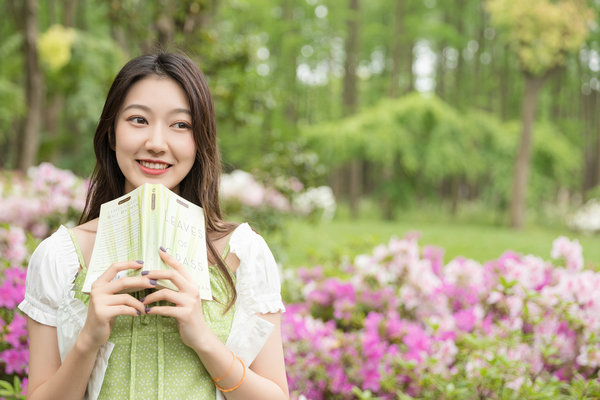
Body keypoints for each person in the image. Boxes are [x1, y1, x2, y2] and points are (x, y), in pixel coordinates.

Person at [18, 52, 289, 400]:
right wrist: (88, 340)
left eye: (181, 125)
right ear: (111, 134)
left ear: (199, 140)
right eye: (138, 120)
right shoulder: (60, 258)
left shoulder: (242, 253)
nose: (157, 144)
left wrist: (203, 338)